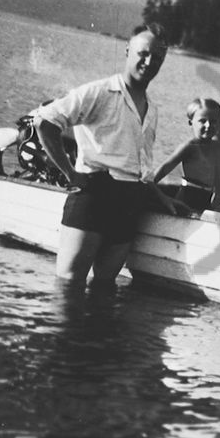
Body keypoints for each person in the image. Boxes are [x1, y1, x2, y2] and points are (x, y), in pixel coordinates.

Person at [35, 23, 168, 287]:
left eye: (157, 58)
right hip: (95, 195)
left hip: (130, 202)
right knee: (69, 286)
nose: (149, 61)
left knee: (105, 285)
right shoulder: (100, 92)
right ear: (128, 51)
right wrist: (70, 172)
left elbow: (140, 164)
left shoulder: (152, 108)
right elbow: (45, 122)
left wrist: (161, 198)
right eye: (143, 53)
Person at [148, 98, 220, 215]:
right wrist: (160, 196)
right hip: (188, 197)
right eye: (202, 121)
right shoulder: (189, 147)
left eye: (214, 121)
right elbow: (160, 172)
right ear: (191, 122)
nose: (208, 125)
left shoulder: (218, 148)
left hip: (208, 199)